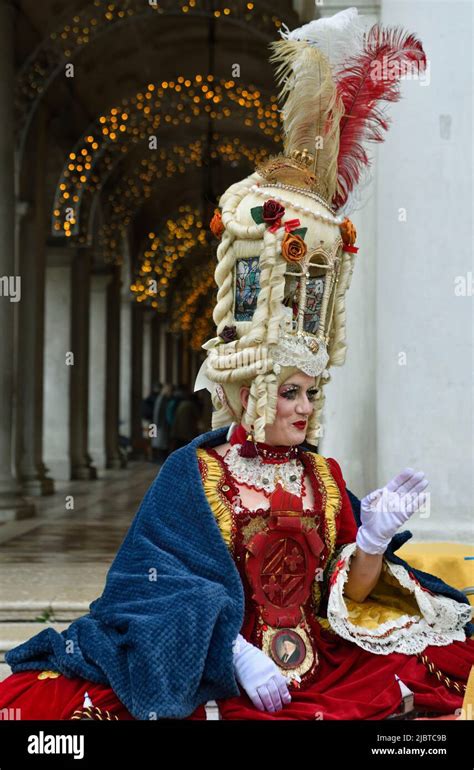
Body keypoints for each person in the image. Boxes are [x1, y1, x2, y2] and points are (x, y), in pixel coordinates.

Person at [0, 9, 472, 721]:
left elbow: (351, 597)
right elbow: (143, 594)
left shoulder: (325, 477)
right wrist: (231, 653)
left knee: (432, 666)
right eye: (289, 392)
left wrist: (371, 541)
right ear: (252, 392)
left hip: (317, 666)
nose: (304, 408)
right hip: (224, 674)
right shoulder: (196, 477)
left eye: (312, 393)